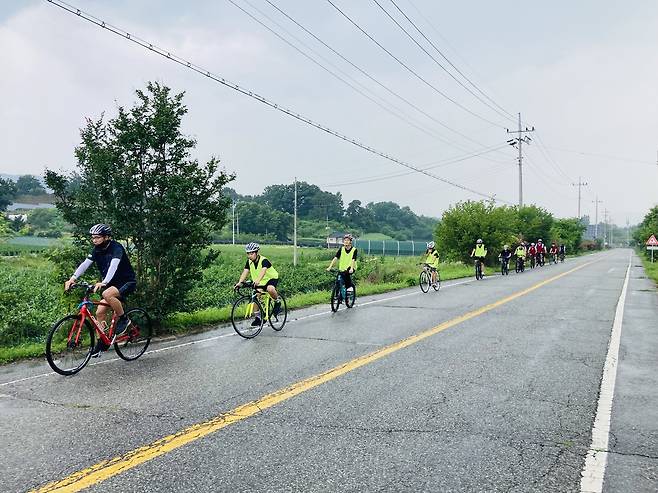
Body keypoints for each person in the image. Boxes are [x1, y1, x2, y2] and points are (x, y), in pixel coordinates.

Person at [64, 224, 136, 356]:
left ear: (107, 237)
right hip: (111, 283)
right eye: (93, 238)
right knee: (99, 312)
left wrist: (104, 282)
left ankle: (124, 319)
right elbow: (85, 264)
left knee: (106, 293)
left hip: (126, 281)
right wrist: (72, 278)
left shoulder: (116, 248)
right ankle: (101, 343)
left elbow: (114, 266)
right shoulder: (97, 249)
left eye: (97, 237)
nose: (94, 240)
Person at [234, 242, 281, 327]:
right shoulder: (249, 262)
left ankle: (277, 301)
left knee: (270, 289)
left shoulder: (264, 260)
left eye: (251, 253)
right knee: (256, 296)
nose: (249, 255)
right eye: (248, 253)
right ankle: (258, 318)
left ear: (256, 253)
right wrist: (239, 283)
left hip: (270, 278)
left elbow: (263, 270)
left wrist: (257, 281)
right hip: (260, 281)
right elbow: (245, 272)